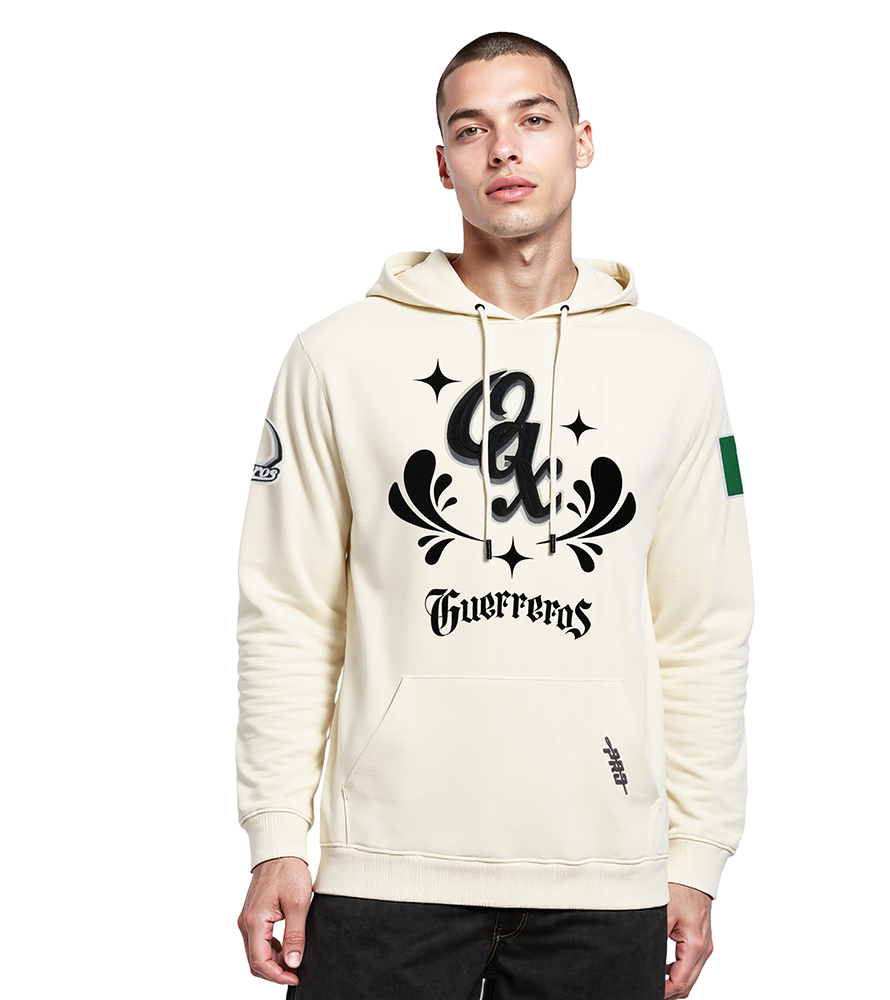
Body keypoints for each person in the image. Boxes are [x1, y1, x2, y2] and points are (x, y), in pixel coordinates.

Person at [236, 31, 752, 1000]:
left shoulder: (678, 369)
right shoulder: (335, 358)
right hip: (383, 872)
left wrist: (697, 854)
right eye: (471, 129)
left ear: (582, 141)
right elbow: (289, 610)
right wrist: (274, 835)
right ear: (444, 163)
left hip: (604, 877)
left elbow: (705, 624)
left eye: (533, 119)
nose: (503, 148)